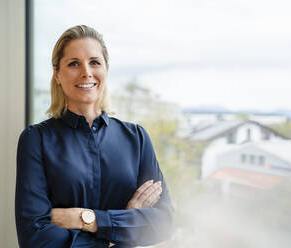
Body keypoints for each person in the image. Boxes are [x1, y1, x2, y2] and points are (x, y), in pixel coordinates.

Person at [15, 25, 174, 248]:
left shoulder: (137, 139)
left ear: (106, 69)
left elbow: (164, 222)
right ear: (57, 74)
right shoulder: (36, 140)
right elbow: (34, 238)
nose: (86, 72)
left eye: (95, 62)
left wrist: (89, 220)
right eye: (73, 63)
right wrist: (117, 233)